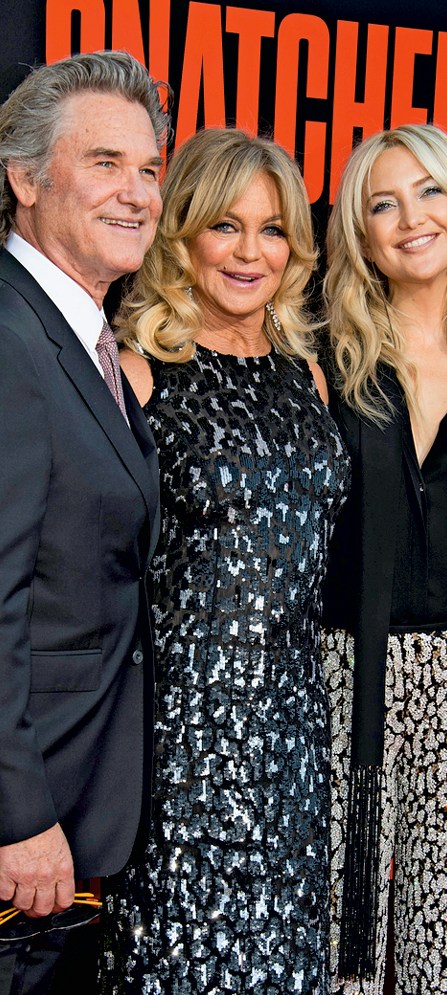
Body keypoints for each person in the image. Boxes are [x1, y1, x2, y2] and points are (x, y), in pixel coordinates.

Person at [102, 128, 347, 993]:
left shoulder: (306, 378)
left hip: (291, 733)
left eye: (273, 229)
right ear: (182, 236)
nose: (250, 252)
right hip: (181, 744)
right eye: (225, 226)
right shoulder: (136, 374)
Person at [0, 50, 165, 995]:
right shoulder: (13, 341)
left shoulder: (78, 333)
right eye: (105, 163)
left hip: (79, 807)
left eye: (148, 168)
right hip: (29, 825)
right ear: (25, 178)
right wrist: (19, 816)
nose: (137, 192)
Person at [319, 124, 447, 993]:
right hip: (346, 671)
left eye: (429, 191)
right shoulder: (322, 353)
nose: (410, 217)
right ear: (359, 231)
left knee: (445, 935)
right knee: (339, 935)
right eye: (382, 202)